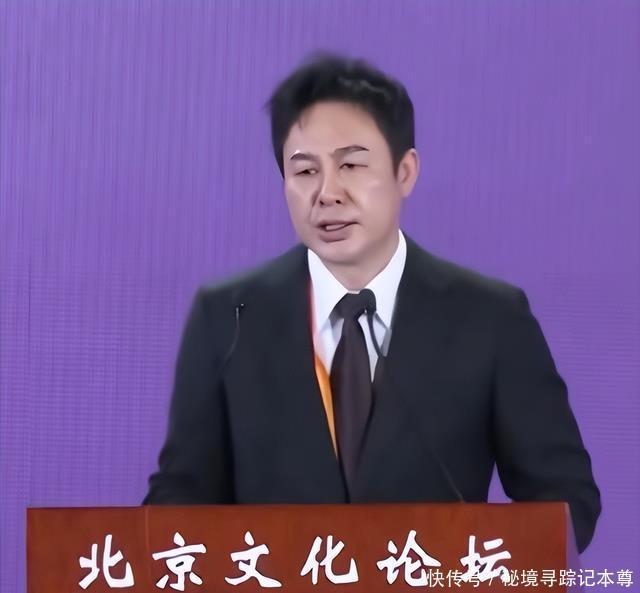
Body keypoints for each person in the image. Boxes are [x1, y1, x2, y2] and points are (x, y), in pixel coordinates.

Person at [143, 53, 600, 553]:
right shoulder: (228, 318)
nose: (327, 194)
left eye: (351, 165)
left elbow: (566, 499)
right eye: (304, 171)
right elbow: (179, 500)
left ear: (405, 172)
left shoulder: (491, 318)